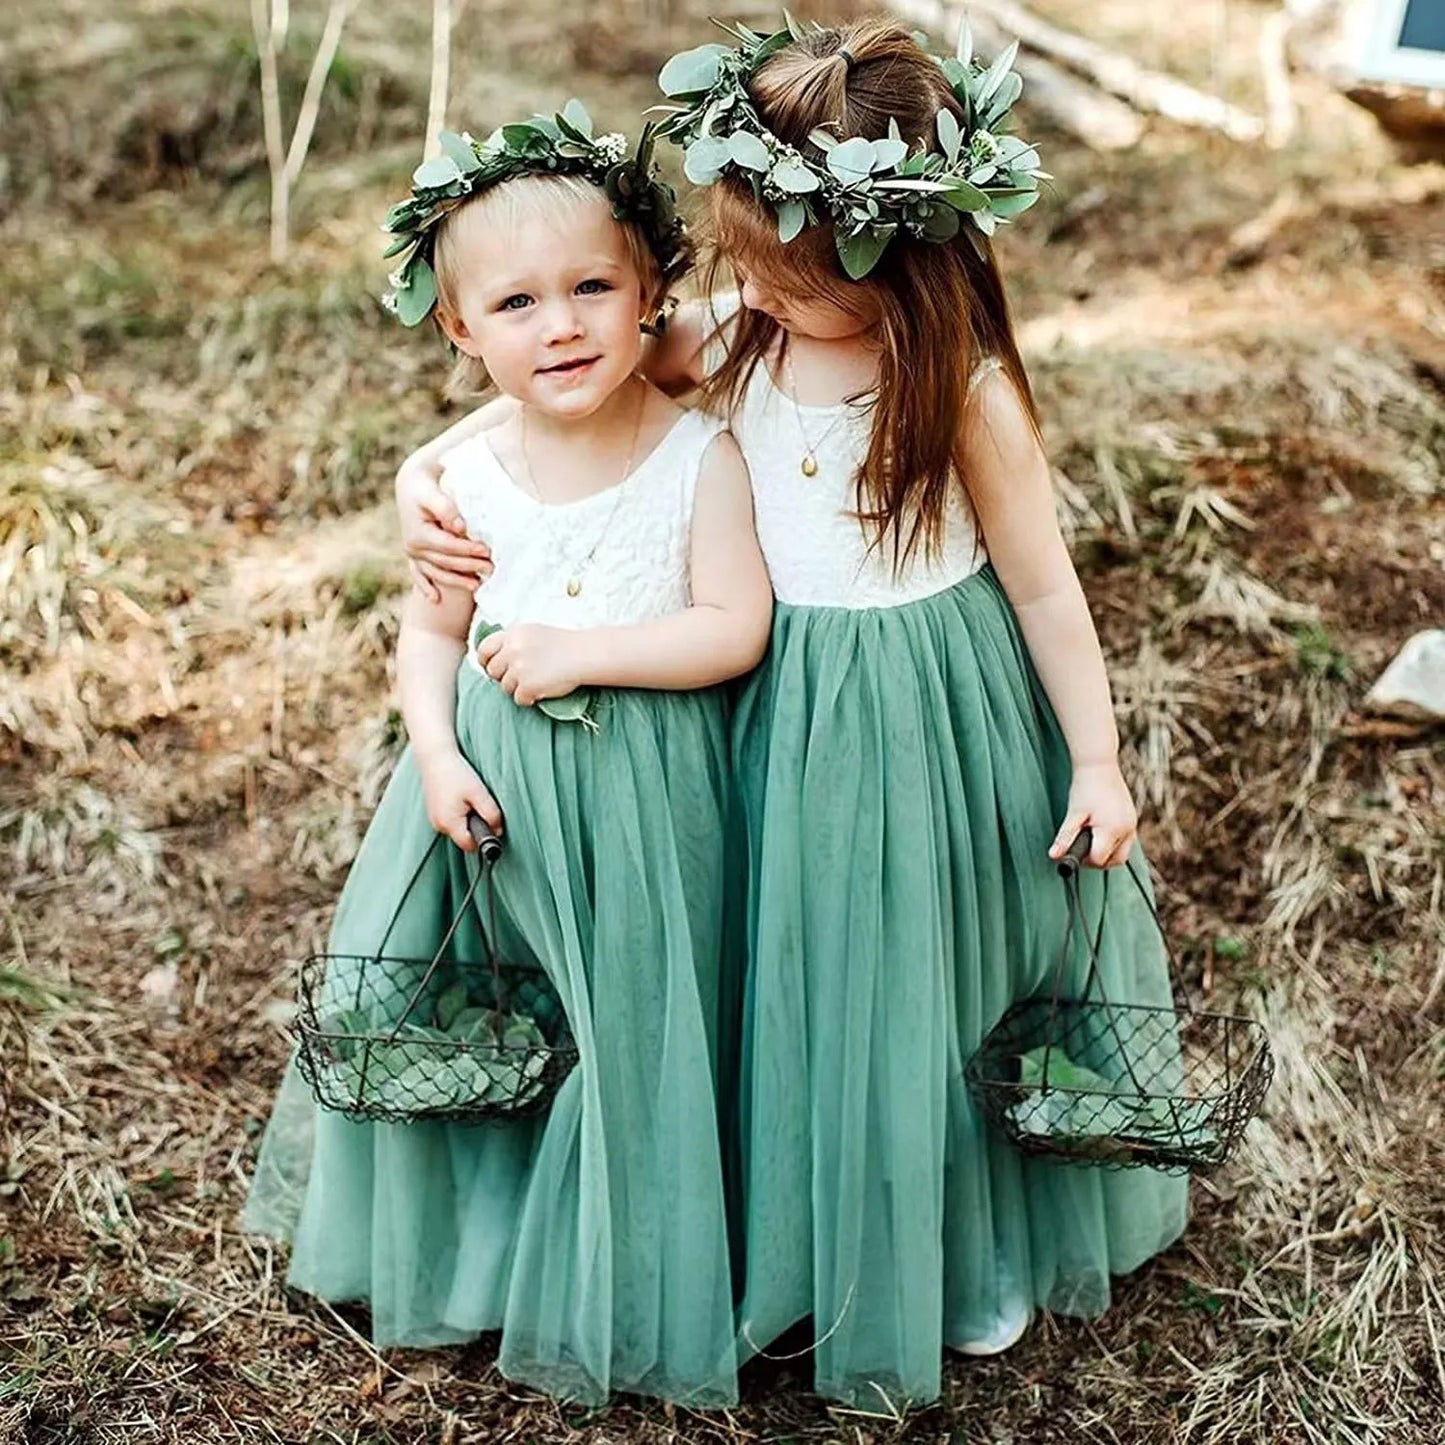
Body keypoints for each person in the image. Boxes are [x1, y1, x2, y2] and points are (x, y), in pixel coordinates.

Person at [396, 21, 1189, 1412]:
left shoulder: (964, 392)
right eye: (740, 251)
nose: (741, 280)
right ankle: (781, 1231)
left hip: (916, 715)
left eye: (779, 262)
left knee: (904, 983)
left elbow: (1047, 591)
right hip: (768, 708)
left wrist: (1095, 756)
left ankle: (933, 1257)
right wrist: (422, 469)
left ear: (892, 256)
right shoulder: (741, 332)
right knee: (784, 973)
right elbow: (558, 396)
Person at [245, 102, 772, 1408]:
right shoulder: (466, 480)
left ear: (652, 294)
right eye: (518, 303)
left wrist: (587, 653)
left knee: (626, 1026)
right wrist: (432, 752)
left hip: (648, 805)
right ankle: (482, 1255)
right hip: (487, 795)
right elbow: (429, 640)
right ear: (460, 328)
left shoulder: (697, 457)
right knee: (487, 1022)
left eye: (594, 287)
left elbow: (733, 627)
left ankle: (627, 1262)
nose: (563, 325)